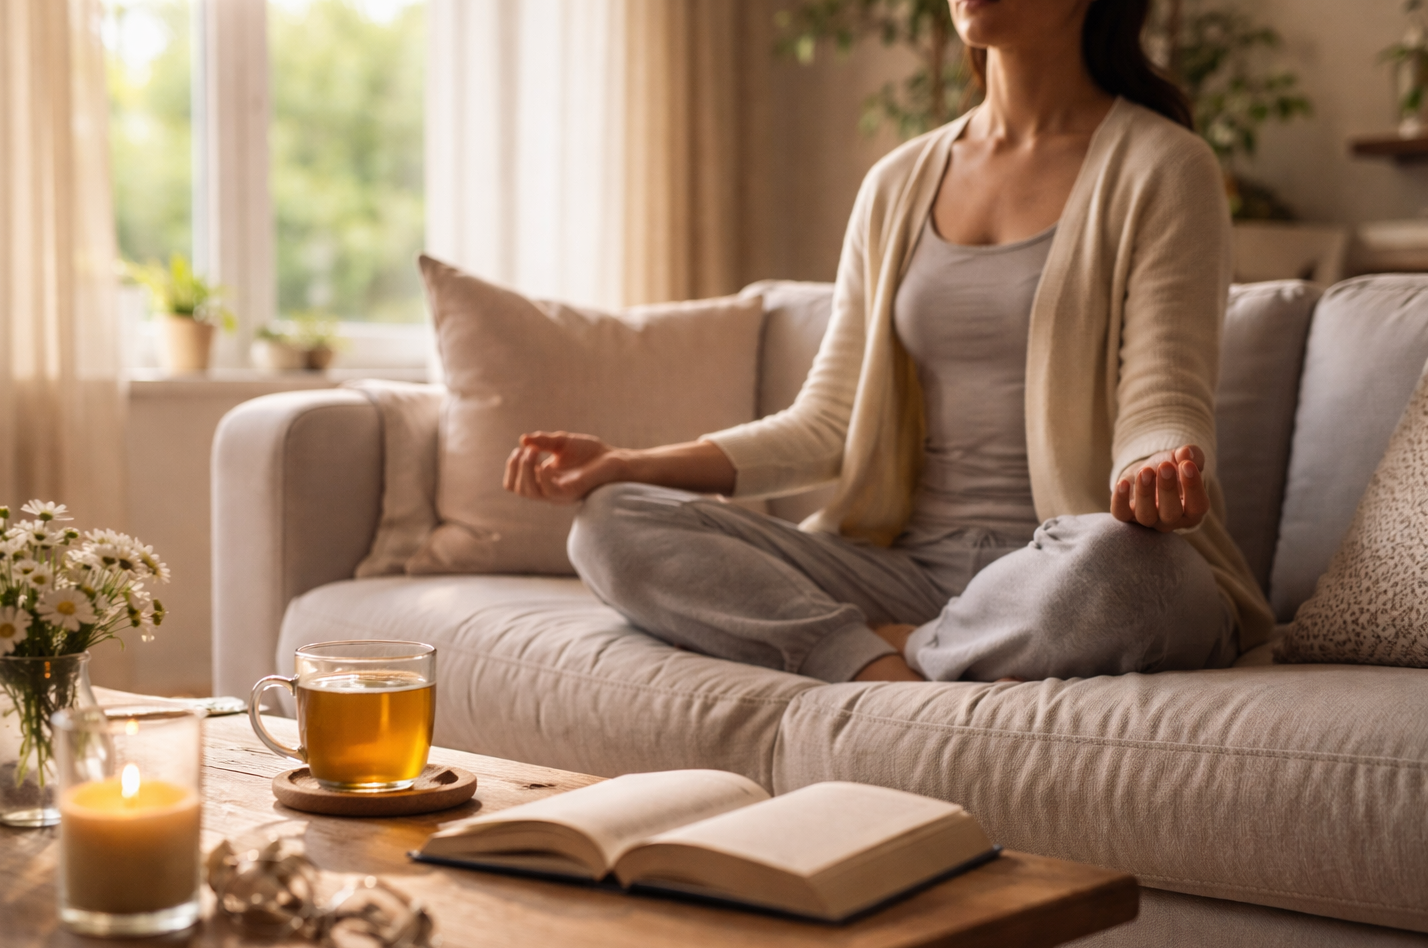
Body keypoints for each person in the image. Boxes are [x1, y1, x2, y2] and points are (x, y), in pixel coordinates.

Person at [502, 0, 1274, 684]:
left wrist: (1156, 469)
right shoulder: (897, 182)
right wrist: (627, 464)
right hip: (900, 570)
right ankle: (893, 655)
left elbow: (1164, 393)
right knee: (610, 522)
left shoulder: (1165, 166)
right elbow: (827, 422)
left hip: (1063, 564)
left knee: (1139, 573)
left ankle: (898, 648)